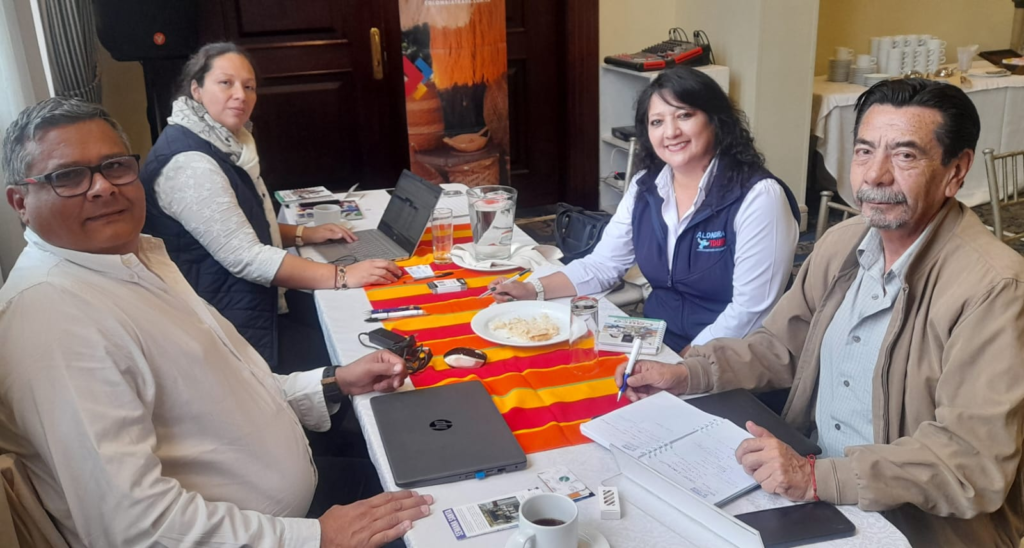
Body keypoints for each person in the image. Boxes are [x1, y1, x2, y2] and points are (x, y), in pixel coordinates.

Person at [1, 97, 431, 547]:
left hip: (288, 508)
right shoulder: (54, 321)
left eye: (114, 166)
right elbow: (136, 526)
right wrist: (318, 537)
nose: (102, 187)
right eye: (68, 176)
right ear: (20, 202)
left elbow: (224, 395)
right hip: (278, 534)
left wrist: (333, 382)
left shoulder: (135, 261)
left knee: (431, 458)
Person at [617, 79, 1024, 547]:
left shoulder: (994, 288)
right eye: (864, 152)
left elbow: (970, 463)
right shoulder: (843, 244)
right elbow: (780, 347)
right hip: (813, 489)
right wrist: (686, 374)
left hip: (913, 528)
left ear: (957, 170)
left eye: (905, 155)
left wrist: (815, 477)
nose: (876, 176)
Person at [489, 67, 800, 354]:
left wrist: (685, 366)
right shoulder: (645, 186)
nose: (670, 132)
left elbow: (751, 311)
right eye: (657, 122)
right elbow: (603, 265)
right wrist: (531, 289)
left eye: (684, 115)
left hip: (728, 357)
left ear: (716, 121)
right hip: (655, 341)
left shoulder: (759, 197)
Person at [139, 42, 402, 368]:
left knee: (360, 319)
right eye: (226, 83)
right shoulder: (190, 163)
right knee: (361, 348)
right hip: (229, 323)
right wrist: (344, 275)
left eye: (249, 86)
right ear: (196, 89)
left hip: (246, 301)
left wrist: (304, 234)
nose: (240, 95)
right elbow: (245, 257)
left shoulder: (219, 142)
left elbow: (234, 226)